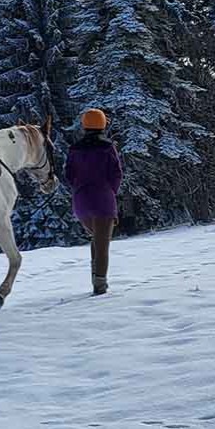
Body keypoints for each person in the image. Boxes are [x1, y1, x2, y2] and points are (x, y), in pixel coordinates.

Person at [65, 108, 123, 295]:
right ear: (103, 124)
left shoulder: (74, 149)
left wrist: (78, 190)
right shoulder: (108, 147)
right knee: (102, 244)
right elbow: (116, 174)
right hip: (103, 198)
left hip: (81, 201)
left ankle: (95, 277)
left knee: (96, 239)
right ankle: (99, 284)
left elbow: (69, 175)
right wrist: (110, 193)